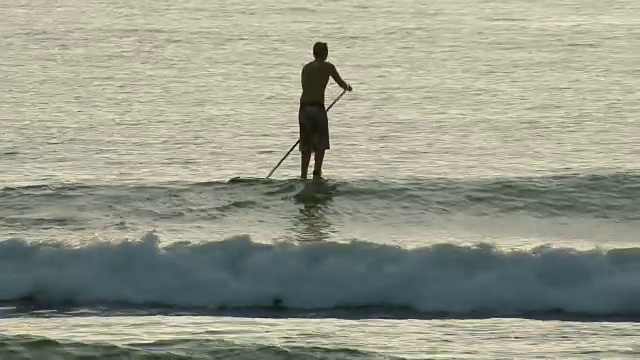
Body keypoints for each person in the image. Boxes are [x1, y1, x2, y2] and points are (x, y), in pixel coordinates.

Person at [298, 41, 352, 180]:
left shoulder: (306, 68)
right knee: (320, 143)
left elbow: (305, 85)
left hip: (304, 108)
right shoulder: (328, 67)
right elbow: (340, 83)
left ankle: (303, 175)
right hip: (317, 107)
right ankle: (317, 173)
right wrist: (347, 87)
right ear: (325, 53)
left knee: (306, 145)